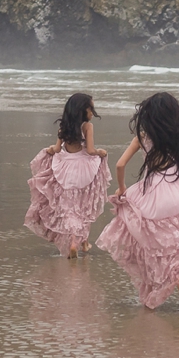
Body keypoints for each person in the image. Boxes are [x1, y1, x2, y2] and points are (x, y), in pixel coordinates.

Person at [98, 92, 179, 309]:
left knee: (153, 240)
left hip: (152, 195)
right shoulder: (175, 138)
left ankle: (168, 282)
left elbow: (120, 165)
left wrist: (123, 188)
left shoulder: (142, 138)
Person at [24, 92, 112, 259]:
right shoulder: (87, 127)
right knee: (83, 206)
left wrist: (49, 150)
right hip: (83, 170)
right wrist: (101, 152)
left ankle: (81, 242)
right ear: (82, 110)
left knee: (70, 207)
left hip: (64, 168)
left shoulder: (63, 126)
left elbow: (57, 149)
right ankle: (75, 243)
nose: (92, 113)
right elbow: (91, 150)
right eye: (91, 109)